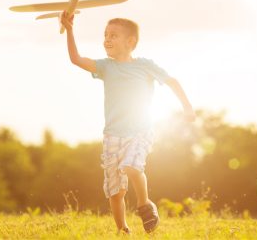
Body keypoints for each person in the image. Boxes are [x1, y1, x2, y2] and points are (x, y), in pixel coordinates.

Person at [61, 14, 195, 234]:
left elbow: (172, 81)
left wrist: (187, 107)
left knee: (132, 167)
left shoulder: (144, 66)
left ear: (130, 42)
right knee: (115, 192)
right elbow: (76, 58)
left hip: (140, 130)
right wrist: (69, 29)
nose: (107, 39)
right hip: (112, 135)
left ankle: (145, 205)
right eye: (105, 35)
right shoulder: (106, 67)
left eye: (113, 35)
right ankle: (123, 229)